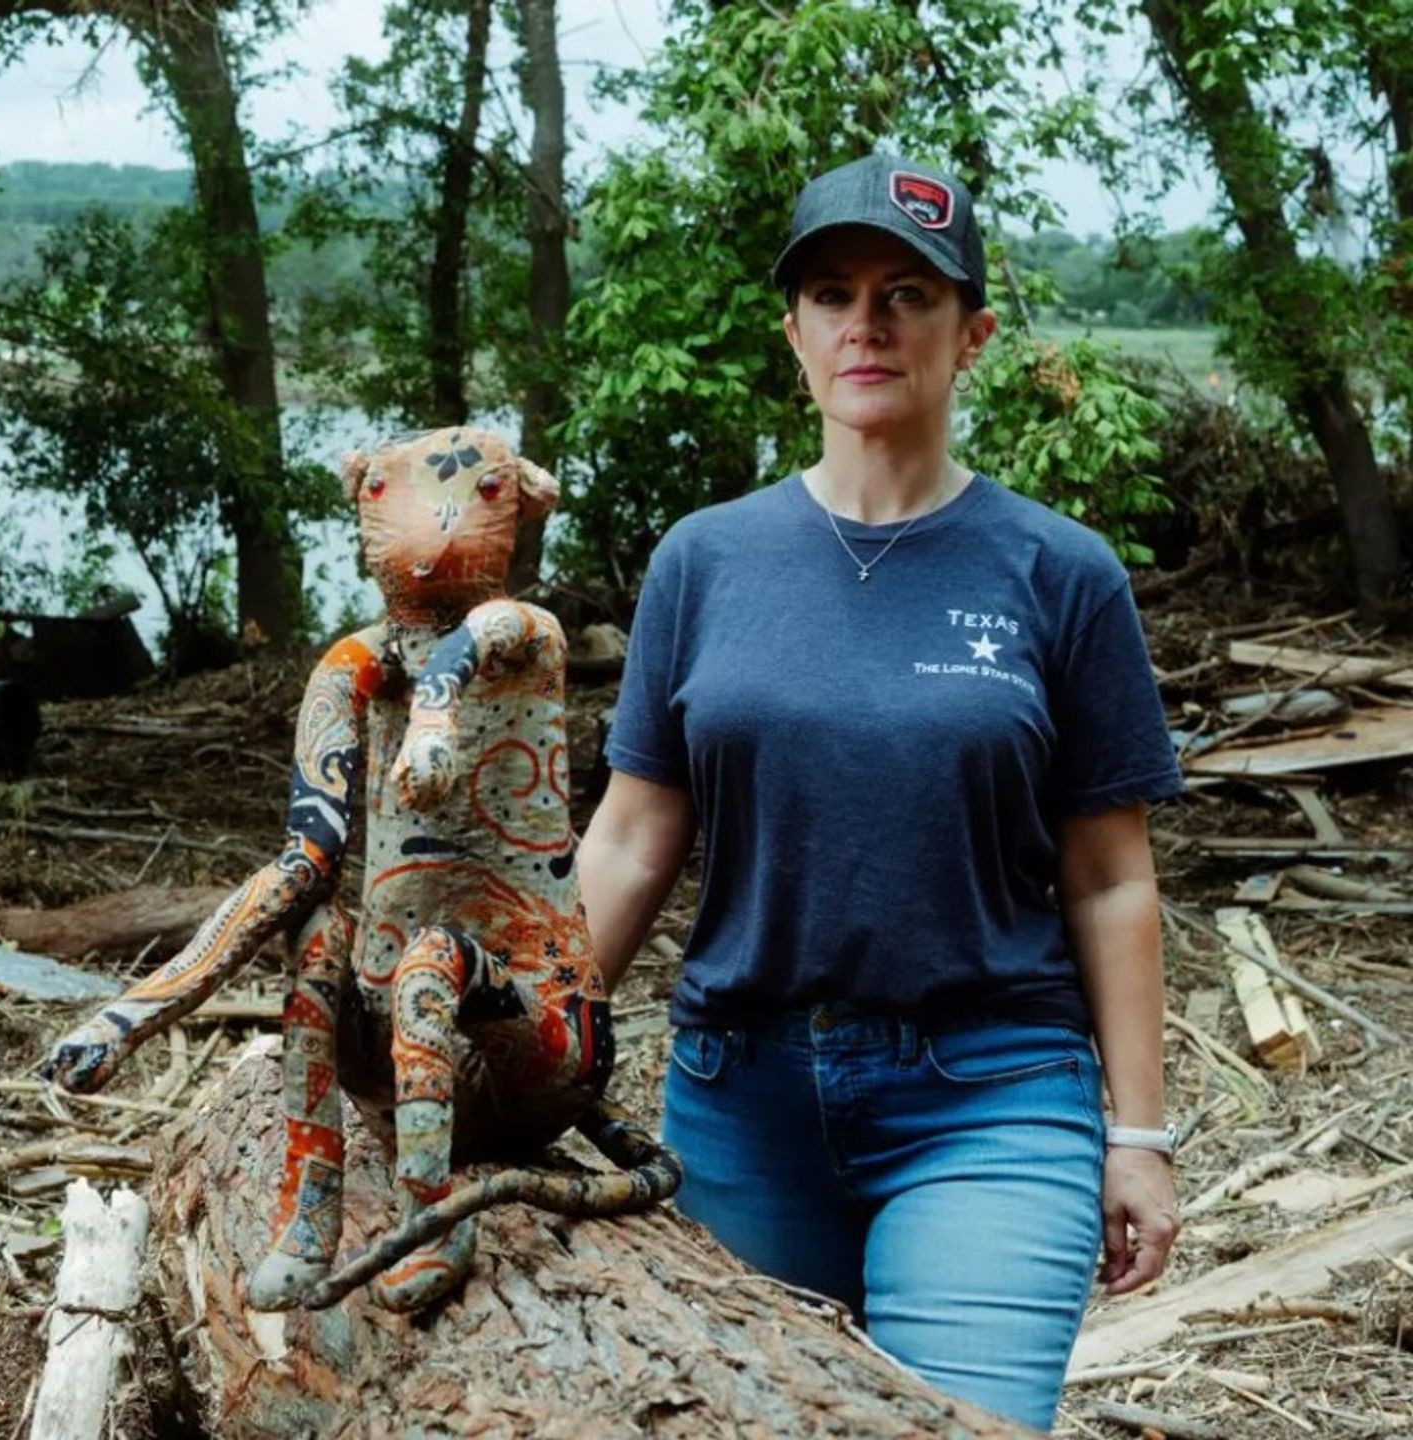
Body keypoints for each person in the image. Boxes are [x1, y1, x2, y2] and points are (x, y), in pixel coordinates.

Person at [575, 152, 1183, 1433]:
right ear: (794, 331)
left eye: (908, 292)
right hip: (739, 1104)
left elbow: (1112, 875)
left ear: (971, 336)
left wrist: (1142, 1135)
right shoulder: (706, 561)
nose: (868, 322)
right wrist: (525, 1042)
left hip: (992, 1096)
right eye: (834, 292)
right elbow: (632, 840)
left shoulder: (1060, 573)